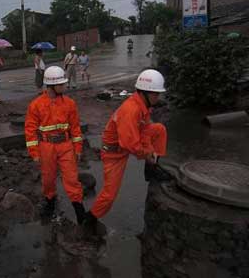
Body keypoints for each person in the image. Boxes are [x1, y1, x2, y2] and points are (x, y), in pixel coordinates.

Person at [84, 69, 168, 234]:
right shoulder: (131, 110)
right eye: (156, 94)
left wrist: (151, 154)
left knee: (159, 129)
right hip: (114, 154)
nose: (158, 98)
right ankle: (90, 218)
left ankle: (152, 169)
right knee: (109, 195)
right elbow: (131, 145)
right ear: (145, 92)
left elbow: (144, 130)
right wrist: (146, 154)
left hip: (125, 145)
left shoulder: (142, 105)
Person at [25, 66, 86, 225]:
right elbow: (30, 131)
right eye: (62, 84)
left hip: (65, 145)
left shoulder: (69, 103)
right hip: (46, 147)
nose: (65, 86)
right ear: (51, 85)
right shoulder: (36, 105)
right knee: (48, 179)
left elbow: (75, 128)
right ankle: (50, 202)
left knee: (72, 179)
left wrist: (78, 148)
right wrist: (34, 152)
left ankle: (80, 212)